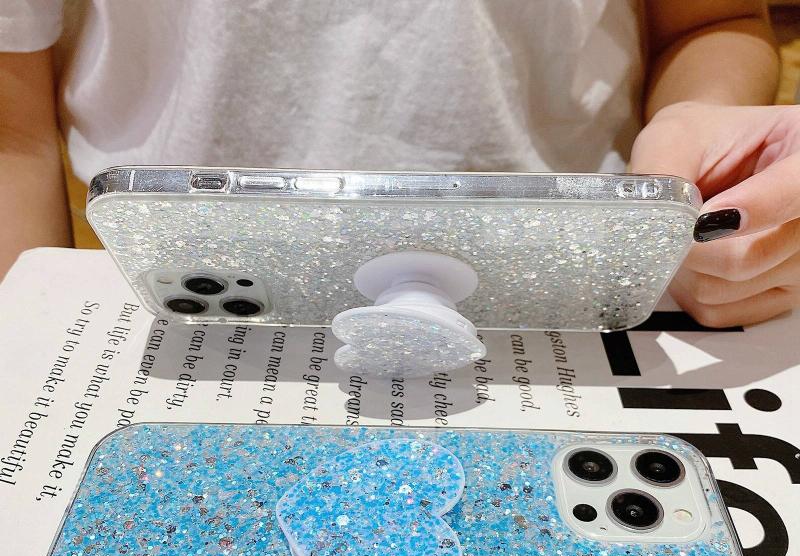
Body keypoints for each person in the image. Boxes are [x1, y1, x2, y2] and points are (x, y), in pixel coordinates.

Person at [0, 0, 795, 327]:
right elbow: (13, 127)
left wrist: (700, 135)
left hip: (580, 280)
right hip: (180, 296)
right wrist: (26, 345)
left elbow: (713, 18)